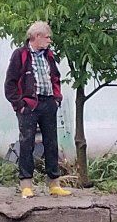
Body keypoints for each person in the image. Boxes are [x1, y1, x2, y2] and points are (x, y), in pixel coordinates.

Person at [4, 21, 73, 199]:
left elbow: (55, 77)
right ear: (36, 37)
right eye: (47, 37)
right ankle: (26, 185)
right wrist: (20, 105)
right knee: (26, 143)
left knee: (51, 143)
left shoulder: (49, 56)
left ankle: (54, 184)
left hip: (48, 104)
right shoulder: (20, 55)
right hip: (29, 106)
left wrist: (56, 99)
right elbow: (10, 84)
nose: (50, 40)